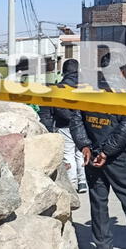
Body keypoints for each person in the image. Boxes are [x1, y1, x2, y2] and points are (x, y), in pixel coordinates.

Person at [69, 53, 126, 249]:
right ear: (122, 70)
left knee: (98, 201)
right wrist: (106, 152)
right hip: (116, 157)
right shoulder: (125, 93)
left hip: (92, 154)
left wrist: (85, 146)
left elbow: (76, 120)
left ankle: (102, 244)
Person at [39, 59, 87, 193]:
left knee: (68, 155)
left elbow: (53, 111)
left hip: (64, 126)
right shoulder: (86, 87)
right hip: (83, 126)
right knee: (81, 153)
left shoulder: (58, 88)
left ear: (64, 72)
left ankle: (71, 185)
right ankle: (83, 182)